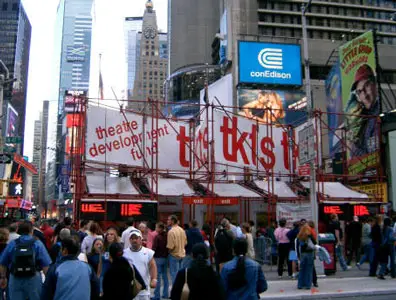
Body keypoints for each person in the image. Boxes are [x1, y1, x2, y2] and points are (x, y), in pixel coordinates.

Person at [0, 220, 51, 300]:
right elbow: (46, 265)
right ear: (32, 231)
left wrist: (3, 277)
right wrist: (48, 282)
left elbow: (3, 263)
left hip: (15, 278)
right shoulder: (37, 243)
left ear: (18, 230)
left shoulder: (13, 244)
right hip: (33, 278)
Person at [345, 64, 379, 158]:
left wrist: (352, 146)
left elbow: (373, 156)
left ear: (375, 84)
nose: (364, 95)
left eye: (366, 86)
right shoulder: (362, 118)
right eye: (359, 91)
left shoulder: (380, 113)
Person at [123, 230, 157, 300]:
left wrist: (154, 279)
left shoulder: (148, 252)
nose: (134, 240)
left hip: (144, 290)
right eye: (132, 238)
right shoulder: (124, 253)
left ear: (141, 239)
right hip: (130, 290)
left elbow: (152, 266)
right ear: (129, 240)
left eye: (136, 238)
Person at [166, 215, 187, 283]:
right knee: (180, 275)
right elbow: (185, 242)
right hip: (182, 255)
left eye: (168, 220)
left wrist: (168, 252)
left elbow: (170, 246)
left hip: (174, 255)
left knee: (174, 275)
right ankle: (180, 290)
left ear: (172, 221)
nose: (167, 221)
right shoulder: (182, 230)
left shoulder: (171, 231)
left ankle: (175, 291)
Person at [296, 224, 317, 290]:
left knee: (302, 269)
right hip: (309, 253)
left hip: (302, 254)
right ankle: (308, 285)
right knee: (309, 269)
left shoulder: (299, 237)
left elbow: (297, 247)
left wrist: (298, 256)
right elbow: (315, 243)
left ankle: (300, 285)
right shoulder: (310, 236)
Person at [152, 222, 168, 300]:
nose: (156, 229)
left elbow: (154, 248)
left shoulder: (157, 237)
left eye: (157, 227)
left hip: (158, 258)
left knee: (157, 277)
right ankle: (166, 294)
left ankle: (157, 296)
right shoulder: (167, 235)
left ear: (160, 228)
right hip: (165, 258)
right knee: (165, 276)